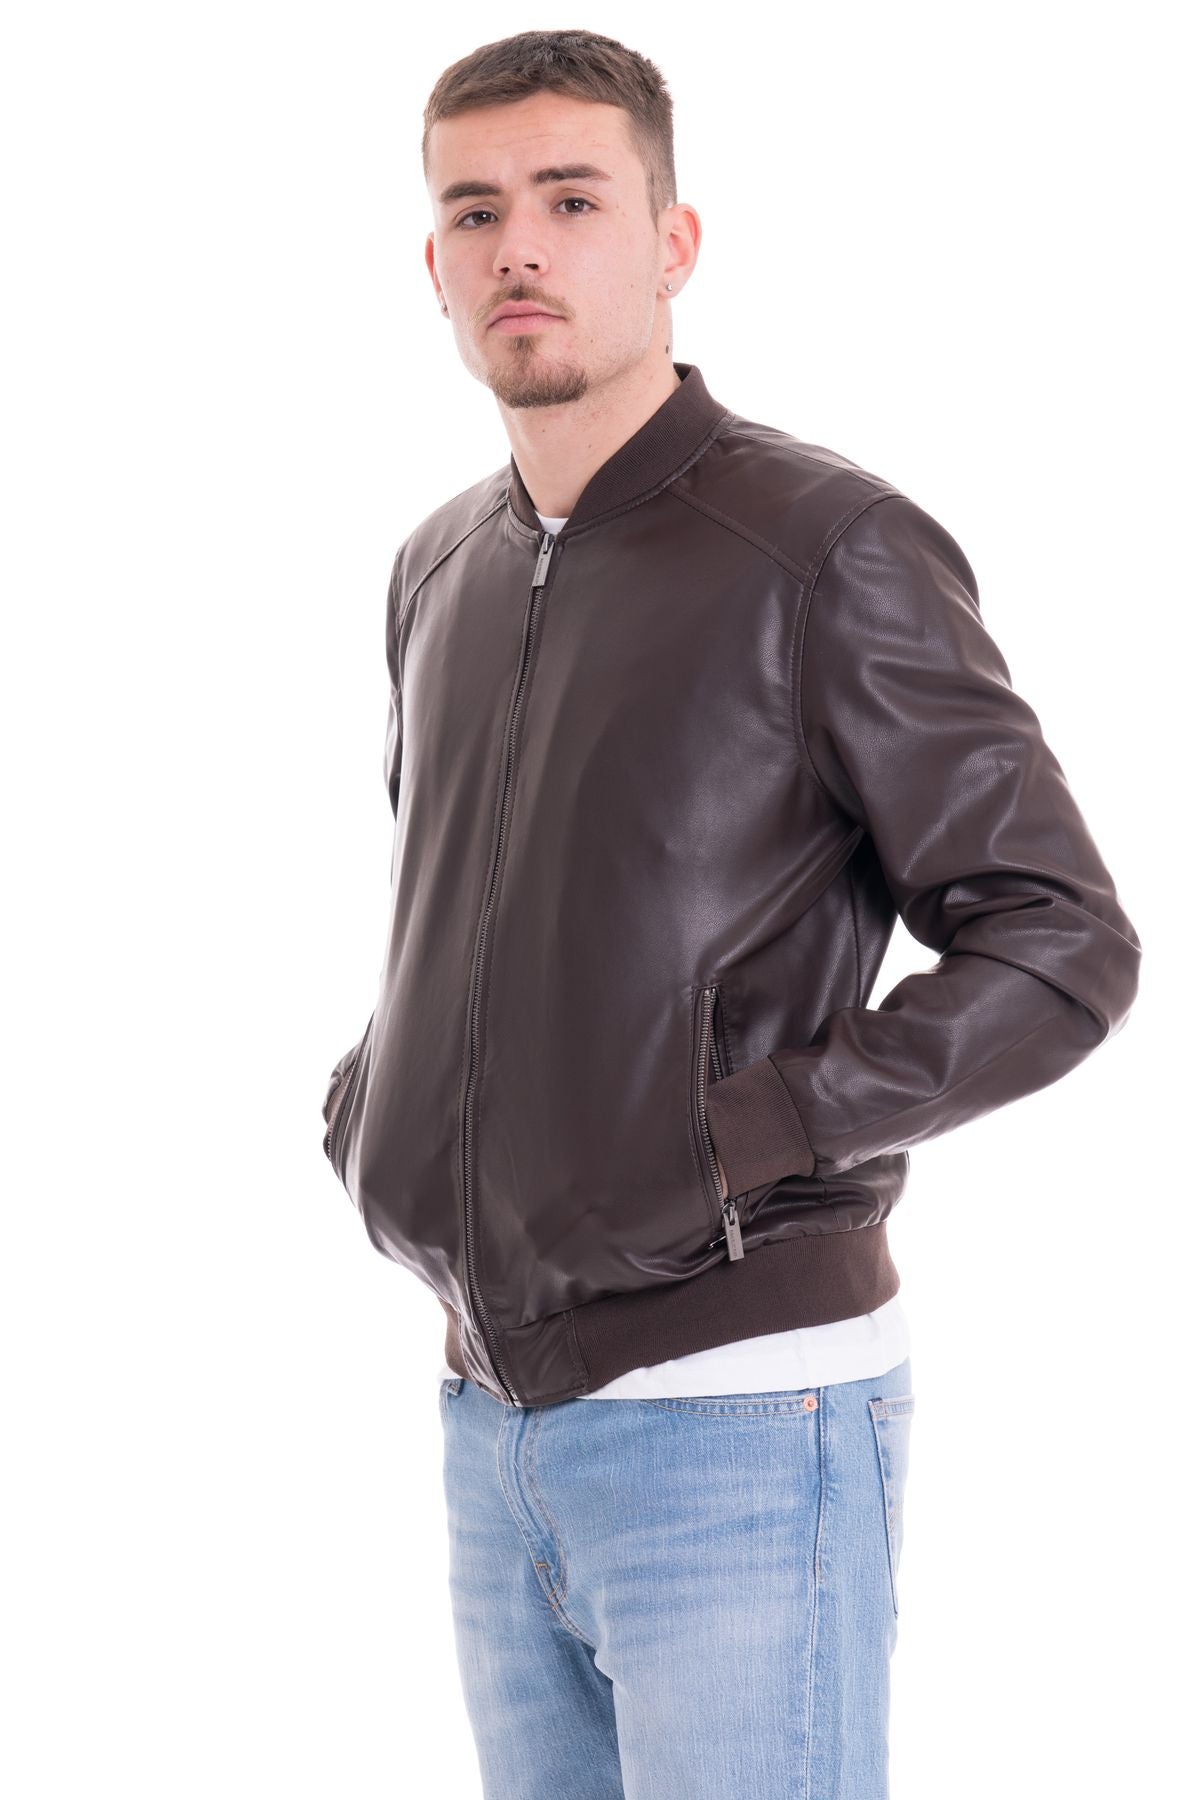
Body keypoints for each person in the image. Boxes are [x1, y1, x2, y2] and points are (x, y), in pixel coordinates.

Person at [319, 27, 1141, 1798]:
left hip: (743, 1413)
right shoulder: (440, 569)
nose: (519, 248)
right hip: (488, 1416)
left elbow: (1059, 940)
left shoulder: (824, 549)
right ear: (432, 262)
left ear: (671, 241)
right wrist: (378, 1101)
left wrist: (747, 1131)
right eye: (475, 211)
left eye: (571, 200)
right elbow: (470, 901)